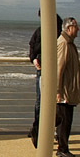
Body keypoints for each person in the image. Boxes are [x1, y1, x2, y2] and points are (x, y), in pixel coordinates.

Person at [27, 12, 63, 145]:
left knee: (52, 102)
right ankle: (37, 129)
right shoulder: (40, 31)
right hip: (41, 69)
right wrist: (34, 59)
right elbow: (32, 47)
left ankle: (49, 130)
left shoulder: (58, 32)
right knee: (40, 102)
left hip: (53, 70)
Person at [55, 17, 80, 157]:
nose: (78, 29)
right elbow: (59, 68)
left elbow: (72, 68)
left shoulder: (70, 43)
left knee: (63, 119)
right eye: (76, 26)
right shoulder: (64, 43)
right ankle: (62, 148)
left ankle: (62, 146)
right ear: (68, 28)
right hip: (65, 92)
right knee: (64, 121)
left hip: (69, 90)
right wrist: (58, 90)